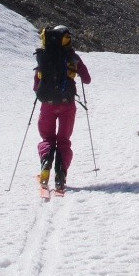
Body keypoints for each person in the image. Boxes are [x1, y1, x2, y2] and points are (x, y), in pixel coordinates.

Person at [32, 25, 90, 195]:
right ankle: (60, 175)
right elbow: (87, 80)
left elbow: (37, 86)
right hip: (67, 105)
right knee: (63, 140)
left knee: (47, 138)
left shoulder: (45, 57)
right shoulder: (73, 57)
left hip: (47, 105)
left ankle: (46, 164)